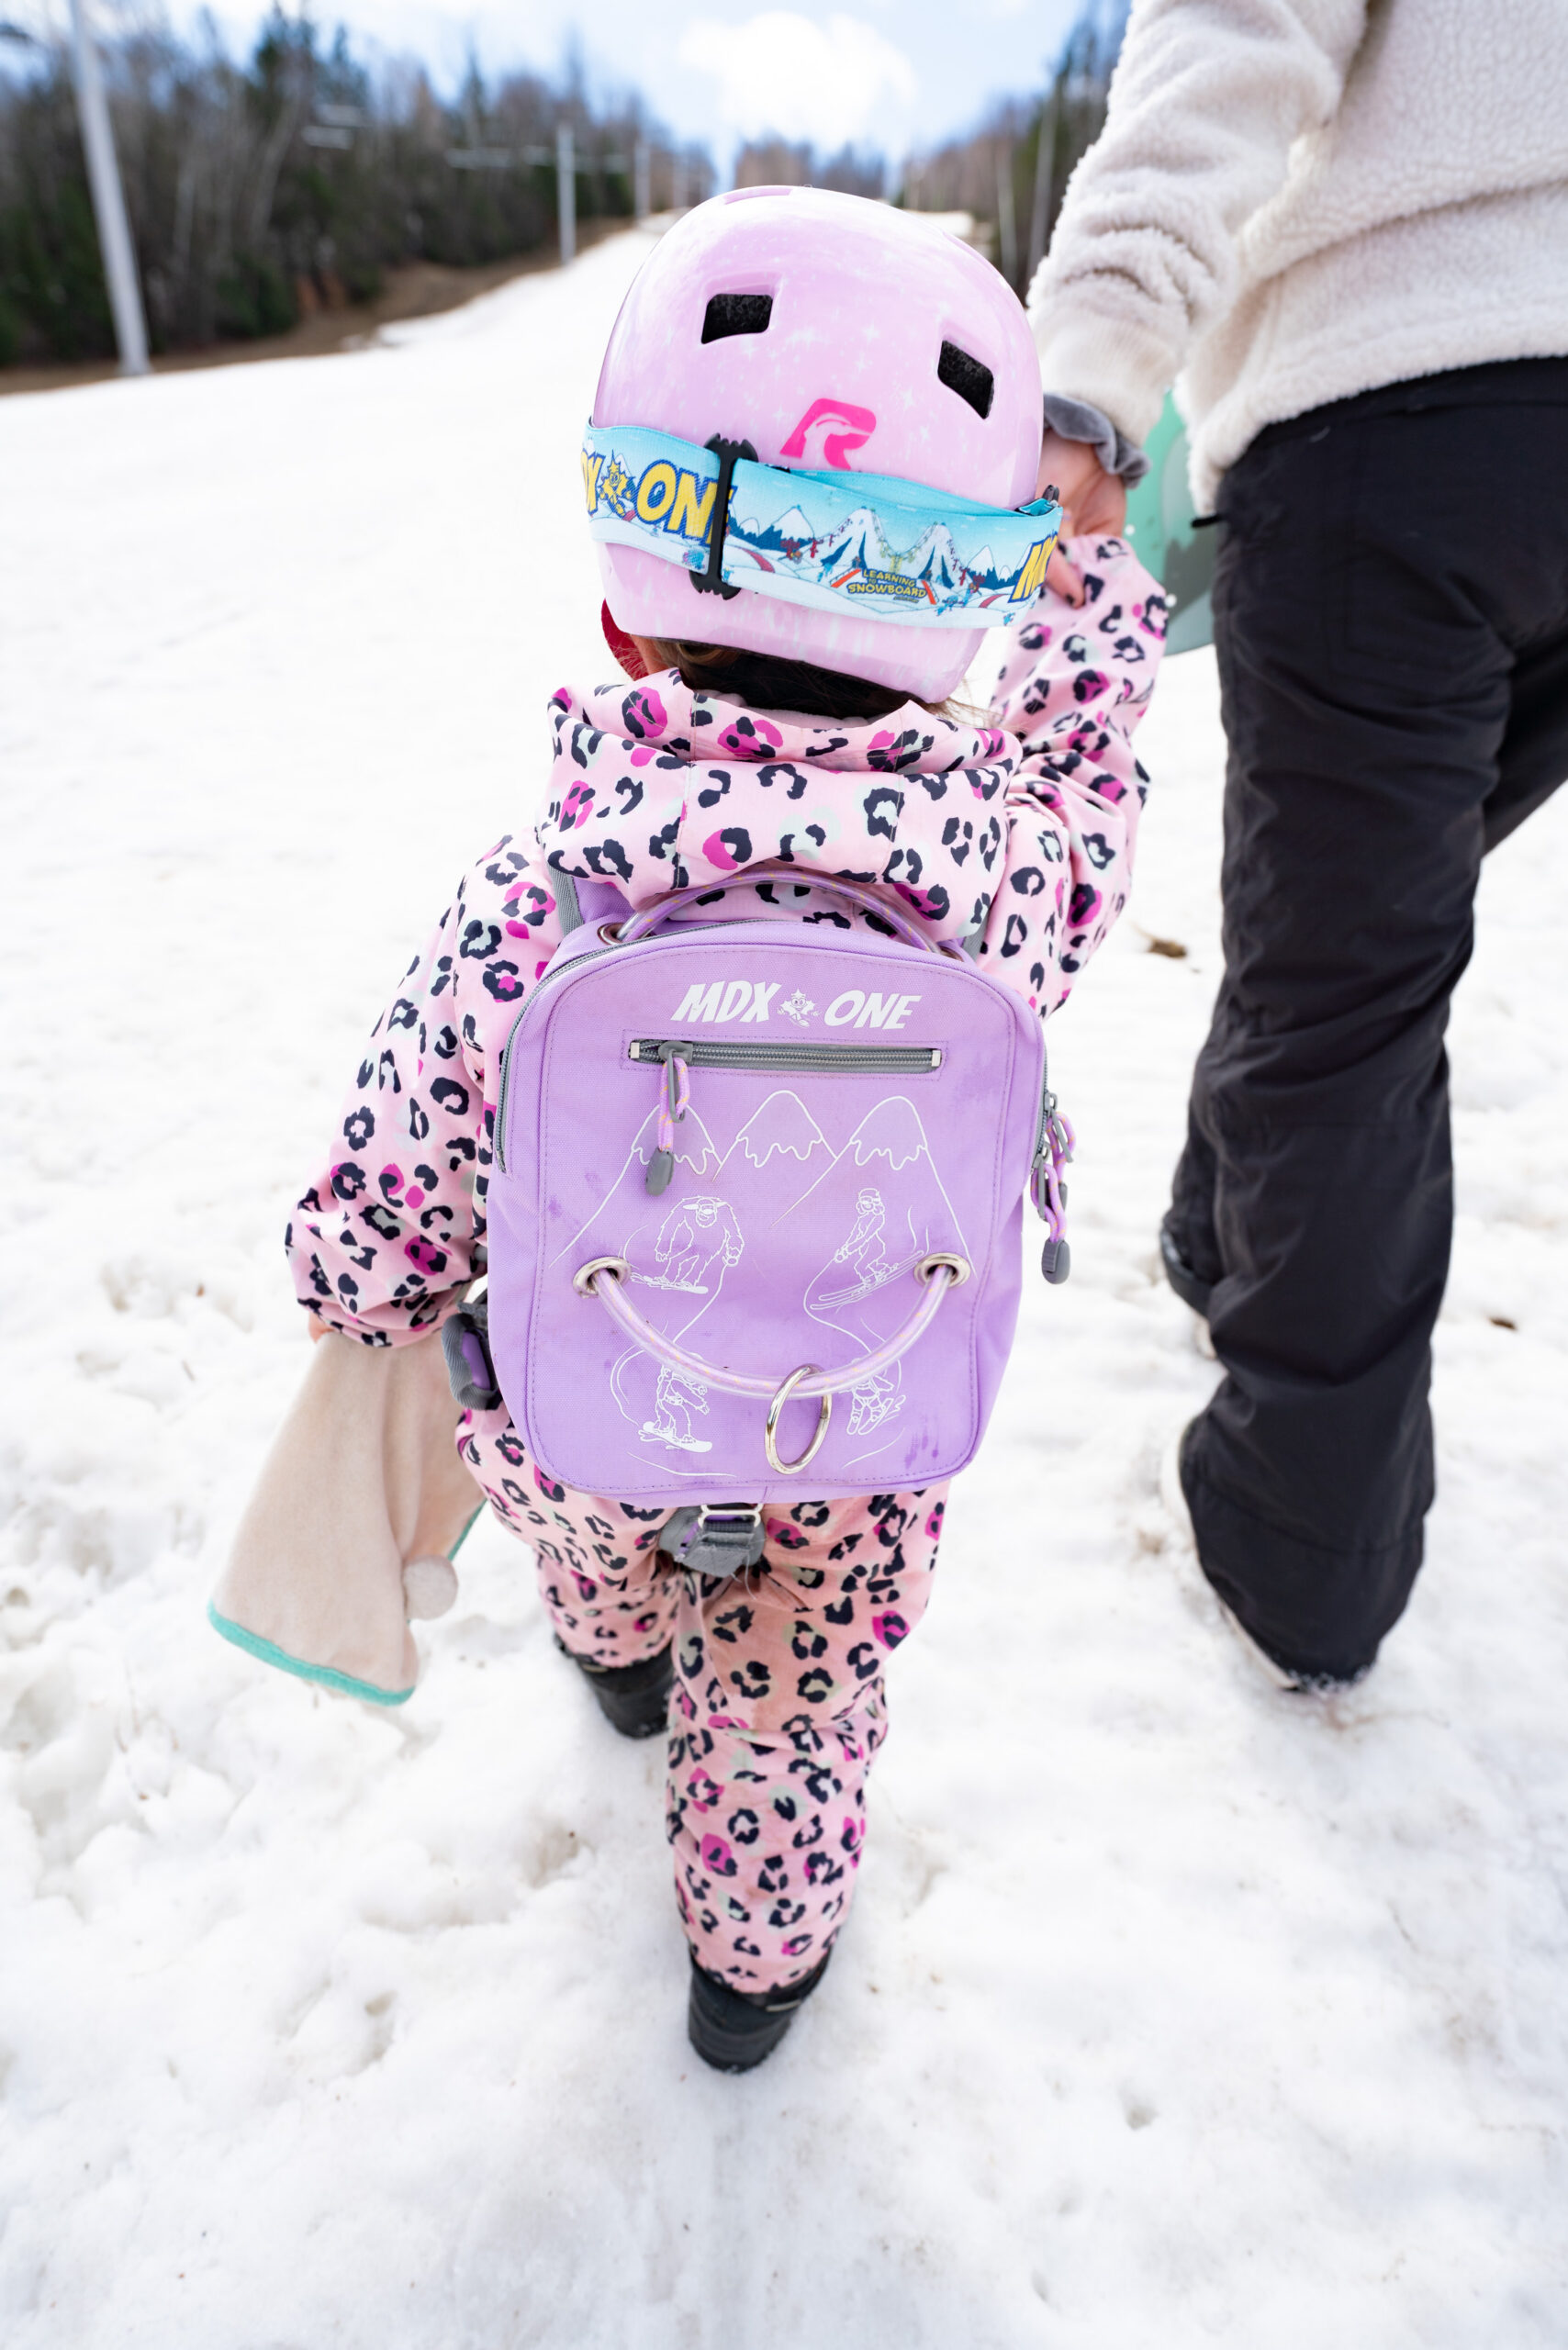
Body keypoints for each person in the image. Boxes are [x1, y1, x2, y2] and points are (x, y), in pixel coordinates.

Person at [218, 189, 1166, 2071]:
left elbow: (405, 1147)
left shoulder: (545, 887)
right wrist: (1080, 575)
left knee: (589, 1523)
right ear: (956, 613)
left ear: (621, 607)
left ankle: (616, 1639)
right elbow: (1077, 771)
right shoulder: (994, 880)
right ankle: (752, 1961)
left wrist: (359, 1275)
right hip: (867, 1411)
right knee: (802, 1683)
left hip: (593, 1403)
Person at [1025, 0, 1568, 1688]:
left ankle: (1302, 1555)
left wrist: (1096, 362)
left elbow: (1241, 34)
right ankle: (1214, 1226)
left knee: (1347, 996)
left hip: (1396, 423)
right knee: (1358, 933)